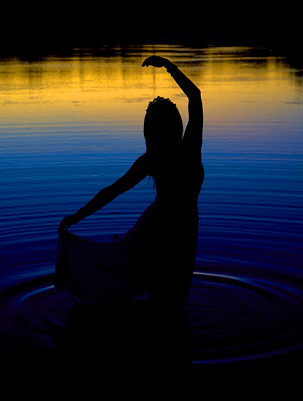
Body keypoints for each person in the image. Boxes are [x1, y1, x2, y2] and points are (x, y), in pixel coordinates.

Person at [56, 56, 204, 309]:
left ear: (150, 130)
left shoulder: (152, 159)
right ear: (176, 125)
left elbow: (111, 192)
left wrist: (77, 216)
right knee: (174, 301)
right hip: (179, 228)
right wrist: (169, 66)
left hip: (159, 228)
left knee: (163, 299)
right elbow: (195, 96)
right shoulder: (188, 149)